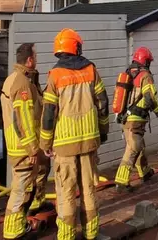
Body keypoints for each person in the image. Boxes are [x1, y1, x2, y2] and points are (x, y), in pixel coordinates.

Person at [40, 29, 109, 240]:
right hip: (89, 142)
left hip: (64, 146)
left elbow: (49, 113)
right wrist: (102, 132)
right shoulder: (91, 70)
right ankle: (91, 234)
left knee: (66, 193)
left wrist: (45, 142)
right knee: (88, 190)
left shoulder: (55, 75)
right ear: (76, 47)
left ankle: (67, 236)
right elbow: (103, 103)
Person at [1, 43, 50, 239]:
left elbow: (33, 109)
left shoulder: (21, 80)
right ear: (29, 60)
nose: (37, 59)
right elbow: (23, 120)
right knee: (21, 189)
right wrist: (32, 149)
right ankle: (13, 231)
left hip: (23, 145)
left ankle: (32, 209)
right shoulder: (21, 83)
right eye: (35, 56)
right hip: (23, 147)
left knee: (30, 181)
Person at [113, 46, 158, 192]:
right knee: (133, 148)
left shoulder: (129, 73)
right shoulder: (145, 75)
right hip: (136, 118)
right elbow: (150, 97)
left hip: (125, 118)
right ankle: (121, 181)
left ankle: (145, 172)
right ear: (145, 61)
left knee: (139, 144)